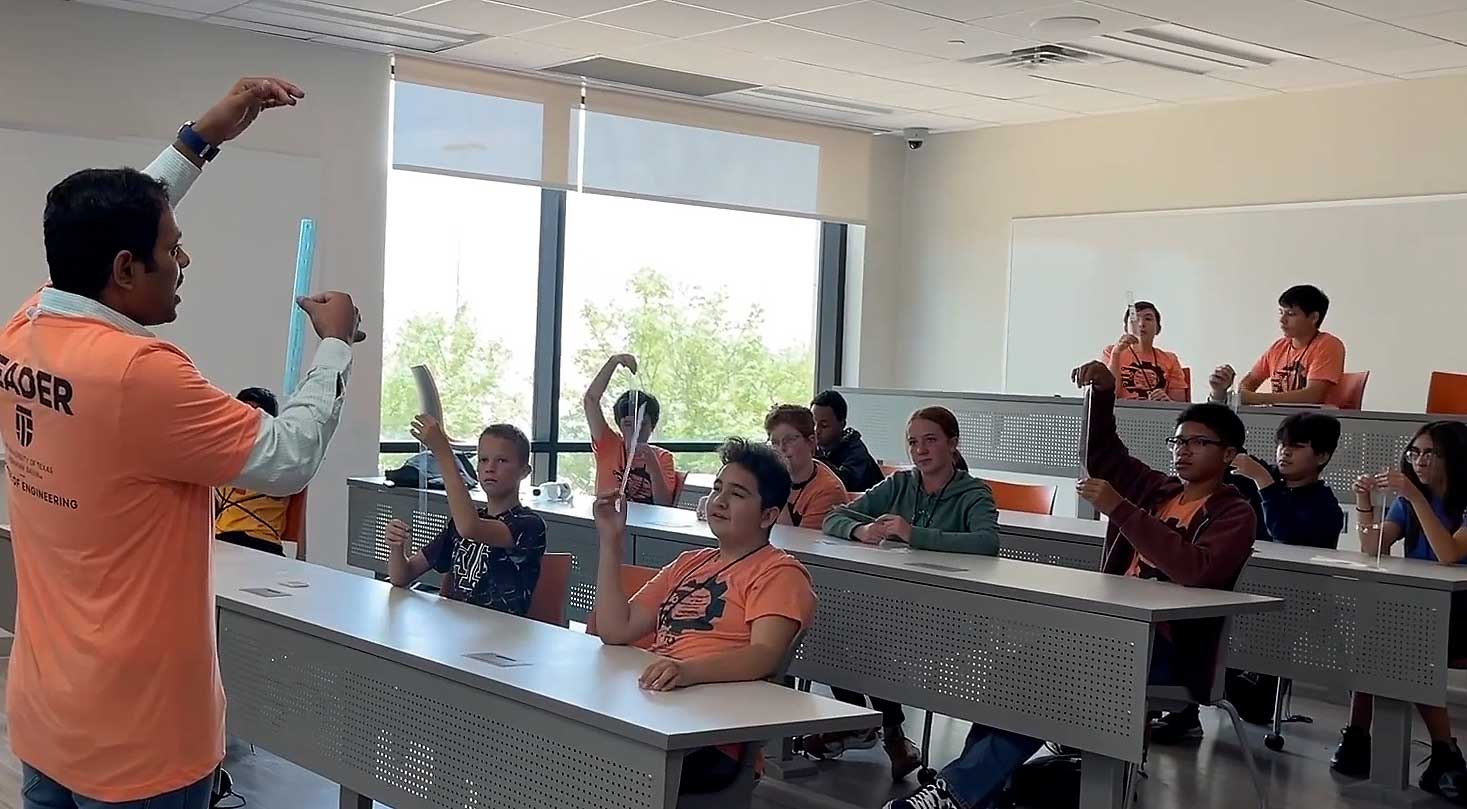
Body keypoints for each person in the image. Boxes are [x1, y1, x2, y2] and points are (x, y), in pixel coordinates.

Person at [0, 78, 368, 809]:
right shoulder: (140, 374)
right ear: (126, 269)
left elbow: (97, 232)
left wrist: (200, 141)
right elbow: (287, 456)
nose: (184, 261)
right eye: (172, 248)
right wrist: (334, 348)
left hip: (48, 722)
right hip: (141, 745)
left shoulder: (26, 329)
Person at [886, 363, 1255, 809]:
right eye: (1178, 441)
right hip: (1111, 629)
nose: (1183, 451)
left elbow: (1195, 569)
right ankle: (969, 792)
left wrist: (1120, 509)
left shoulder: (1234, 515)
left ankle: (958, 792)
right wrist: (1103, 393)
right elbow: (1104, 457)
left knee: (1053, 679)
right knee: (1014, 669)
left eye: (1198, 443)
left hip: (1168, 648)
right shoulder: (1159, 491)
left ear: (1229, 454)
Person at [591, 437, 817, 794]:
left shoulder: (779, 573)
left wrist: (685, 672)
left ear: (769, 515)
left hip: (712, 737)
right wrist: (611, 540)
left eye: (738, 494)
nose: (719, 501)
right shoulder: (689, 563)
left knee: (585, 761)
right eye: (717, 488)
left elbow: (764, 655)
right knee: (560, 740)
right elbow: (616, 629)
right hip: (658, 707)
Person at [817, 406, 999, 781]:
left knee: (871, 638)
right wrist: (861, 532)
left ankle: (882, 731)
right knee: (832, 630)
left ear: (952, 443)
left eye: (930, 440)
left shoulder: (974, 492)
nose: (921, 450)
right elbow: (836, 515)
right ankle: (873, 726)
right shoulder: (900, 484)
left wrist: (914, 534)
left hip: (949, 615)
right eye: (913, 442)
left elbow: (986, 543)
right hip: (894, 606)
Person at [1332, 421, 1467, 799]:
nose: (1419, 461)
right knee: (1378, 638)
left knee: (1398, 644)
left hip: (1459, 607)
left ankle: (1438, 752)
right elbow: (1373, 546)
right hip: (1418, 609)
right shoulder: (1409, 502)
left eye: (1430, 453)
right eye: (1414, 452)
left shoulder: (1451, 501)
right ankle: (1434, 752)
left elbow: (1449, 555)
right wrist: (1364, 502)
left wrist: (1418, 500)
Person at [384, 417, 546, 616]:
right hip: (456, 629)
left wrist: (443, 452)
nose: (490, 468)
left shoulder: (528, 524)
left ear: (524, 471)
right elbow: (402, 576)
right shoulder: (460, 524)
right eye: (483, 460)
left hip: (501, 636)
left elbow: (470, 528)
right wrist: (396, 546)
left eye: (502, 460)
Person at [1209, 284, 1347, 406]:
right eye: (1281, 312)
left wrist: (1256, 398)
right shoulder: (1279, 347)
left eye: (1291, 314)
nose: (1282, 320)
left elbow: (1313, 396)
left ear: (1313, 317)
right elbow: (1249, 383)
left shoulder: (1328, 345)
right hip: (1280, 422)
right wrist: (1234, 391)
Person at [1229, 412, 1345, 548]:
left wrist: (1263, 481)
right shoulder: (1262, 472)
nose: (1285, 451)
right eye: (1282, 444)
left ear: (1322, 457)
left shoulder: (1326, 507)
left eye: (1297, 446)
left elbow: (1286, 539)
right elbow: (1220, 454)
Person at [215, 388, 306, 559]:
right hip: (220, 539)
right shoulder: (223, 452)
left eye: (254, 413)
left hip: (262, 542)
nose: (246, 418)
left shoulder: (281, 457)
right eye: (242, 411)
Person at [584, 353, 677, 505]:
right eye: (628, 424)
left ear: (652, 427)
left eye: (642, 424)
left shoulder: (663, 458)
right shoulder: (609, 445)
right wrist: (614, 362)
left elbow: (665, 505)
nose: (635, 431)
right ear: (620, 426)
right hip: (607, 523)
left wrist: (653, 465)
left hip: (644, 526)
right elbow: (590, 401)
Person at [765, 404, 848, 529]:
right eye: (775, 443)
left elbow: (796, 543)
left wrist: (779, 486)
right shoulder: (763, 477)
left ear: (811, 441)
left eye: (790, 439)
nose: (781, 448)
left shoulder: (828, 490)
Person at [1100, 300, 1189, 402]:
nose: (1141, 324)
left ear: (1158, 328)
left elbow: (1180, 406)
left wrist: (1166, 402)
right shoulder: (1111, 352)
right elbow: (1110, 396)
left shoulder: (1170, 359)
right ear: (1126, 328)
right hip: (1121, 415)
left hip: (1157, 415)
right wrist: (1115, 354)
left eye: (1148, 319)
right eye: (1135, 319)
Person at [812, 389, 885, 493]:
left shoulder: (856, 451)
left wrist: (816, 458)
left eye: (824, 425)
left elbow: (842, 484)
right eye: (813, 423)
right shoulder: (817, 449)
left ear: (842, 424)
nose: (816, 430)